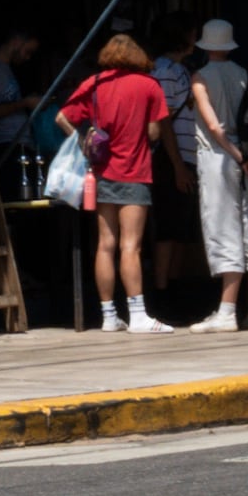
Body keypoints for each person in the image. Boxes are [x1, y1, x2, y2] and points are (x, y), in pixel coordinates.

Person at [61, 33, 179, 332]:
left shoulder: (94, 83)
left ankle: (109, 316)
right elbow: (154, 133)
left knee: (105, 245)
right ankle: (138, 315)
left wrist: (85, 142)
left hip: (101, 172)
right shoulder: (149, 85)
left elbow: (63, 117)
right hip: (135, 173)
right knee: (131, 246)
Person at [182, 18, 248, 333]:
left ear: (205, 45)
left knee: (224, 230)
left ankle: (227, 312)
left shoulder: (200, 78)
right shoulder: (243, 74)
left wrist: (236, 156)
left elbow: (212, 126)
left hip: (219, 158)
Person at [0, 27, 44, 195]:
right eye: (27, 51)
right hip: (7, 146)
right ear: (16, 41)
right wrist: (25, 103)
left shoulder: (6, 70)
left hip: (20, 145)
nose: (27, 57)